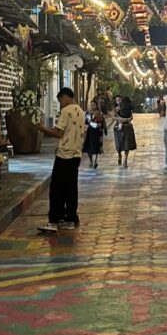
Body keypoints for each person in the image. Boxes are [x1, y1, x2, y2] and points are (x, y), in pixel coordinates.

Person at [36, 87, 86, 233]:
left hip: (64, 155)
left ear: (65, 97)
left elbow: (59, 133)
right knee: (71, 188)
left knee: (57, 188)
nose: (60, 104)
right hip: (76, 154)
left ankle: (54, 219)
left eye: (60, 101)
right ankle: (70, 217)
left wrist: (42, 129)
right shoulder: (80, 111)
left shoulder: (66, 111)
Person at [114, 96, 137, 167]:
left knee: (119, 144)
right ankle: (124, 159)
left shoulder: (119, 108)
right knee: (126, 145)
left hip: (120, 128)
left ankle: (123, 159)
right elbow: (131, 117)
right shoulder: (128, 108)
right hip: (127, 128)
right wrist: (126, 120)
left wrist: (121, 120)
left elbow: (114, 116)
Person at [83, 100, 105, 169]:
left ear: (96, 105)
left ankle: (95, 161)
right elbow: (86, 122)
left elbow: (101, 122)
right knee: (88, 147)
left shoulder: (99, 113)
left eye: (94, 105)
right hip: (89, 131)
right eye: (91, 104)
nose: (92, 106)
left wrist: (96, 119)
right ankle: (90, 161)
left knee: (95, 147)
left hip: (97, 132)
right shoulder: (87, 112)